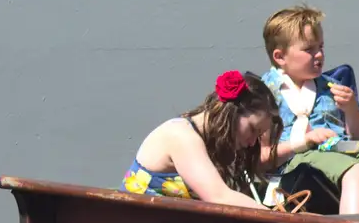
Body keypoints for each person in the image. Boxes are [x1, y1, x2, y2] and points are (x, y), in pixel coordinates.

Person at [259, 4, 359, 216]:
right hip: (296, 163)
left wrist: (352, 109)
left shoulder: (332, 88)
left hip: (340, 150)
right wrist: (306, 141)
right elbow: (262, 158)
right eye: (309, 49)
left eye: (321, 47)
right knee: (356, 171)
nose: (319, 55)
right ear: (280, 57)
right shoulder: (264, 94)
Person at [121, 70, 282, 209]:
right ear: (232, 112)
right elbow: (219, 197)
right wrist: (274, 219)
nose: (253, 142)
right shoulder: (180, 135)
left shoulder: (206, 142)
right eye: (253, 129)